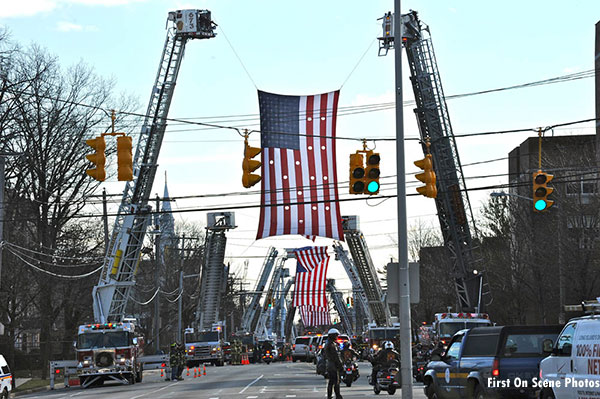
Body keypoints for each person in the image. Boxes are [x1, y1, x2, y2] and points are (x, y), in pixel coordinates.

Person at [324, 328, 344, 399]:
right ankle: (337, 395)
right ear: (333, 336)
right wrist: (340, 364)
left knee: (331, 381)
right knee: (336, 381)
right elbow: (336, 356)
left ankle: (329, 396)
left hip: (329, 364)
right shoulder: (332, 345)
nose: (337, 337)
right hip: (333, 365)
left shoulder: (327, 343)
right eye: (336, 335)